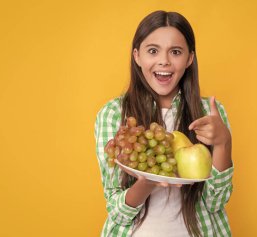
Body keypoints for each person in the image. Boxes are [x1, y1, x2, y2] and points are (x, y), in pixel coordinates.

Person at [94, 10, 234, 237]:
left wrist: (224, 143)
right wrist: (147, 182)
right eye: (153, 51)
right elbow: (117, 212)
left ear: (189, 58)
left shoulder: (209, 113)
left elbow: (216, 202)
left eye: (176, 52)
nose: (164, 61)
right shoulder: (114, 114)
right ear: (137, 56)